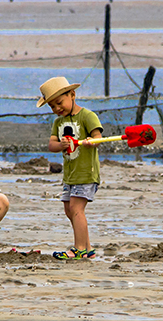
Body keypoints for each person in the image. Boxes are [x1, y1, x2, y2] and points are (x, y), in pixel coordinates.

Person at [37, 76, 103, 259]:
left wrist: (92, 141)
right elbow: (52, 145)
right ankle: (87, 249)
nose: (57, 109)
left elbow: (98, 137)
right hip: (70, 175)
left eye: (59, 103)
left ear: (72, 95)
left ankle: (79, 248)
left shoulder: (87, 116)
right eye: (52, 106)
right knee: (69, 209)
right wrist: (61, 146)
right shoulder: (58, 122)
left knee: (76, 208)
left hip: (86, 173)